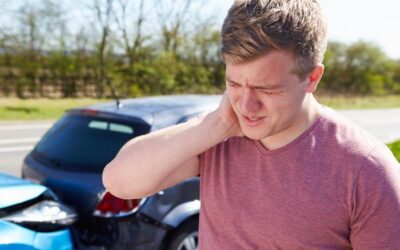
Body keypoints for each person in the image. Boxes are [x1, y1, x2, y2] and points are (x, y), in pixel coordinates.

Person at [103, 0, 400, 248]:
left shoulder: (367, 170)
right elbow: (119, 182)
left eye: (267, 89)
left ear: (312, 78)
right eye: (234, 83)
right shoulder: (218, 135)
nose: (246, 106)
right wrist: (214, 126)